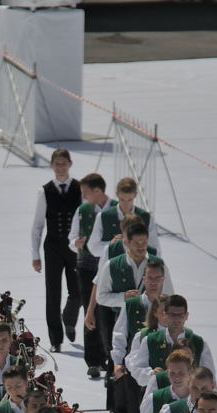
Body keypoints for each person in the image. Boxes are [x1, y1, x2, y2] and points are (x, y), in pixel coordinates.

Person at [101, 257, 168, 413]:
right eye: (150, 278)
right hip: (135, 368)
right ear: (144, 278)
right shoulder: (131, 305)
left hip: (163, 370)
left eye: (157, 278)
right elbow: (120, 334)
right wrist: (117, 361)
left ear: (163, 279)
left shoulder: (169, 304)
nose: (153, 282)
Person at [31, 148, 82, 353]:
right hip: (53, 247)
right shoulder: (45, 191)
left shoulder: (80, 188)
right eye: (57, 163)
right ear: (52, 165)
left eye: (64, 163)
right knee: (53, 294)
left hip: (75, 248)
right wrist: (35, 255)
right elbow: (37, 225)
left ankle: (69, 318)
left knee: (78, 291)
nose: (60, 167)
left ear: (70, 164)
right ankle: (56, 339)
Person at [68, 173, 115, 377]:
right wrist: (75, 243)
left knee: (108, 311)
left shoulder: (116, 210)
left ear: (97, 191)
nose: (84, 196)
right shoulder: (83, 210)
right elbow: (72, 238)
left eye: (86, 192)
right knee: (90, 309)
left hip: (112, 267)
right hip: (87, 265)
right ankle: (93, 360)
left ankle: (108, 355)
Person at [125, 294, 216, 388]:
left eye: (180, 315)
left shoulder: (199, 343)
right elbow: (137, 369)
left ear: (186, 316)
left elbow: (210, 378)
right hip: (157, 393)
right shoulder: (150, 340)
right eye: (172, 315)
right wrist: (151, 374)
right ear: (165, 315)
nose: (176, 319)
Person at [86, 176, 157, 260]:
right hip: (111, 265)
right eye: (122, 199)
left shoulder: (146, 217)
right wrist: (111, 244)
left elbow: (155, 249)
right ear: (117, 194)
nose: (126, 205)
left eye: (130, 200)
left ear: (135, 195)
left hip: (140, 265)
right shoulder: (103, 216)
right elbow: (93, 248)